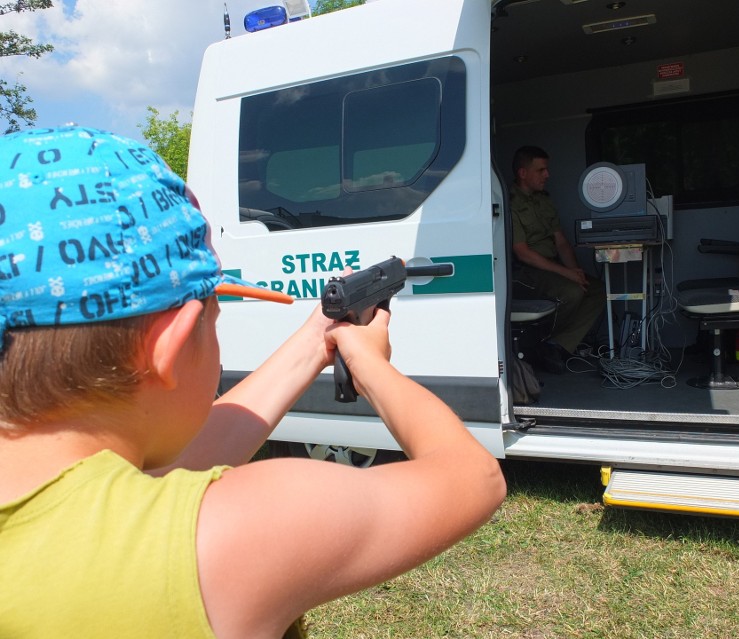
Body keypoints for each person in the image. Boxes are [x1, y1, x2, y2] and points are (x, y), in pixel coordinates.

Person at [0, 126, 506, 638]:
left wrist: (317, 341)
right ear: (169, 351)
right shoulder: (233, 532)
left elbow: (183, 453)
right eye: (213, 320)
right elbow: (473, 478)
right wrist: (373, 365)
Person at [510, 145, 605, 370]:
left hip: (551, 267)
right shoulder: (509, 203)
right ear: (523, 173)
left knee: (596, 290)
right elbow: (522, 252)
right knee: (570, 293)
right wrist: (567, 275)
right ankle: (536, 346)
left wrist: (577, 274)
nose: (547, 175)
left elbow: (561, 242)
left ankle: (555, 345)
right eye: (541, 170)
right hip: (523, 271)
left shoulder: (544, 200)